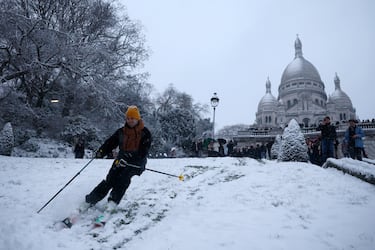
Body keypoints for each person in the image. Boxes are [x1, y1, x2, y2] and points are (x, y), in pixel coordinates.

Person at [83, 106, 152, 211]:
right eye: (128, 118)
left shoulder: (145, 133)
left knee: (123, 179)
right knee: (110, 179)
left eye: (132, 118)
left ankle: (113, 201)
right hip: (121, 160)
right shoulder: (121, 131)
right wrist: (102, 151)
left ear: (137, 119)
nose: (130, 120)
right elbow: (110, 143)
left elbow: (144, 151)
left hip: (136, 163)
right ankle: (91, 199)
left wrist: (132, 158)